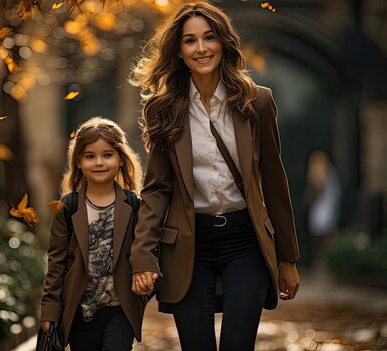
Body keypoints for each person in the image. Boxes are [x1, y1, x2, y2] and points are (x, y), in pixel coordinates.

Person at [128, 2, 300, 350]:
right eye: (190, 41)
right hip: (189, 245)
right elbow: (157, 189)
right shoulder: (163, 110)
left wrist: (288, 258)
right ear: (179, 50)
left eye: (209, 37)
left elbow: (273, 180)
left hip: (246, 241)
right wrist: (142, 256)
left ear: (224, 42)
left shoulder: (258, 102)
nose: (201, 48)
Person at [39, 117, 145, 351]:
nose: (99, 162)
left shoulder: (133, 204)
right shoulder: (68, 207)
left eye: (107, 155)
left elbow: (145, 249)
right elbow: (56, 262)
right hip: (79, 312)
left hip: (120, 310)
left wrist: (146, 281)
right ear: (78, 162)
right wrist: (49, 309)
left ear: (120, 159)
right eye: (90, 156)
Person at [303, 150, 341, 266]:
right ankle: (320, 262)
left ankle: (327, 262)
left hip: (326, 208)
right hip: (319, 209)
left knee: (326, 236)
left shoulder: (328, 173)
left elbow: (319, 188)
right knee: (318, 238)